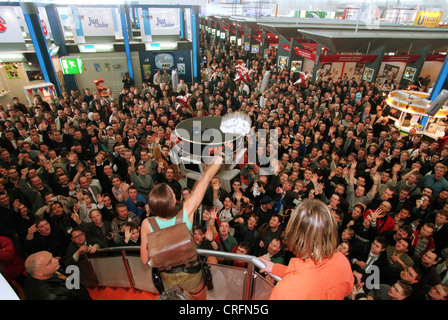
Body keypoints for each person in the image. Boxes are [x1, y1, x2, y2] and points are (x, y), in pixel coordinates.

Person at [140, 156, 223, 300]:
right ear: (172, 201)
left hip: (167, 276)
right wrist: (220, 157)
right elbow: (207, 177)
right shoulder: (185, 211)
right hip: (191, 272)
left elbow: (144, 259)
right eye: (172, 193)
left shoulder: (147, 224)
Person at [260, 198, 354, 300]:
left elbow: (306, 277)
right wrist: (275, 268)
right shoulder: (342, 261)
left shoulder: (286, 291)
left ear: (294, 234)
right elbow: (315, 274)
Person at [23, 250, 91, 300]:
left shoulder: (47, 272)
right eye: (49, 262)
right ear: (39, 273)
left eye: (52, 257)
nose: (56, 260)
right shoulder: (52, 296)